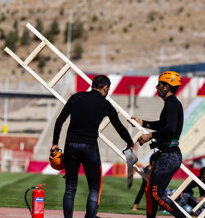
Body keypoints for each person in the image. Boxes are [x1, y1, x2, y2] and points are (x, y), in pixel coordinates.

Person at [50, 75, 134, 218]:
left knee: (70, 188)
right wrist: (129, 141)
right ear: (105, 88)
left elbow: (59, 121)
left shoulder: (76, 97)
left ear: (93, 84)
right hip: (90, 146)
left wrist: (55, 143)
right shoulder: (106, 105)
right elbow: (119, 127)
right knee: (94, 188)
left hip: (71, 144)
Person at [131, 71, 186, 218]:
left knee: (156, 194)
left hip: (169, 155)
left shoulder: (172, 104)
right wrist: (143, 123)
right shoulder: (171, 104)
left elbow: (170, 128)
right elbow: (163, 124)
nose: (157, 87)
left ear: (167, 86)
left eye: (160, 84)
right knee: (151, 192)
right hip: (167, 155)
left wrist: (150, 135)